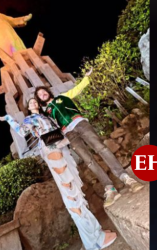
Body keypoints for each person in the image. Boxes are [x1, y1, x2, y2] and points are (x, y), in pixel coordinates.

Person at [0, 73, 118, 250]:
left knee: (75, 192)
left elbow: (59, 131)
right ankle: (94, 239)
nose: (32, 103)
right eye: (30, 102)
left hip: (61, 148)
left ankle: (95, 234)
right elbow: (22, 131)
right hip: (52, 151)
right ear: (27, 107)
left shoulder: (47, 116)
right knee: (70, 193)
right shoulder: (30, 119)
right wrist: (8, 119)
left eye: (34, 101)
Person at [34, 67, 144, 208]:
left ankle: (126, 178)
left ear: (48, 92)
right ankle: (109, 188)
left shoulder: (63, 97)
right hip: (69, 134)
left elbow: (77, 89)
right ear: (39, 99)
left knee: (102, 149)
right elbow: (48, 127)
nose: (42, 94)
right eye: (40, 94)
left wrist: (86, 78)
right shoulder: (47, 113)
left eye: (43, 91)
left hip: (80, 124)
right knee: (89, 161)